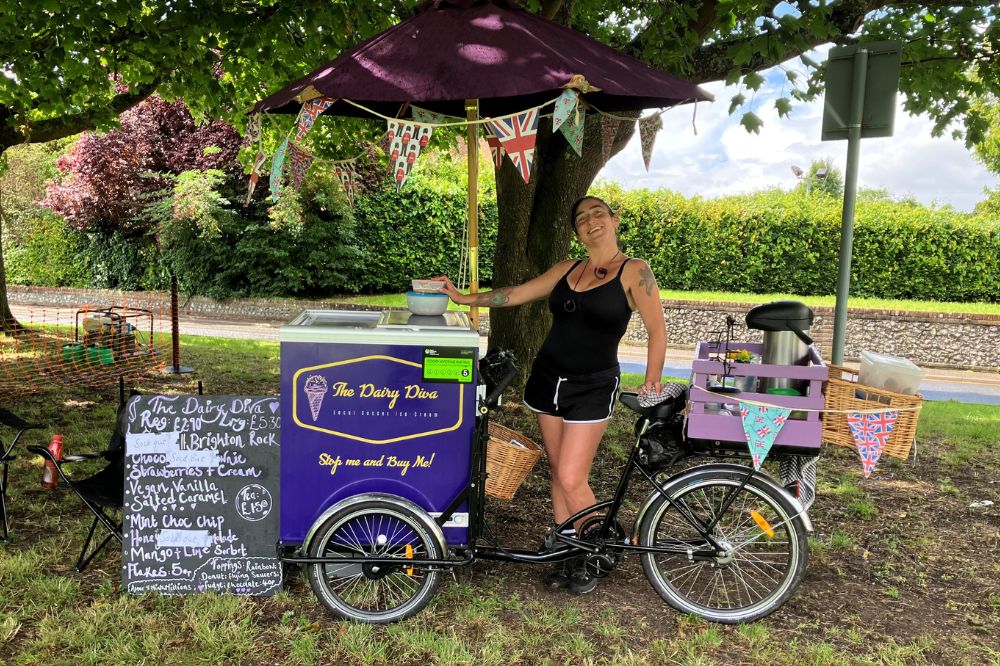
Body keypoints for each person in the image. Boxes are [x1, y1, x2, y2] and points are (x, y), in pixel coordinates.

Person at [434, 195, 666, 595]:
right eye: (581, 219)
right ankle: (567, 548)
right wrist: (464, 299)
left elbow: (657, 330)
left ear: (614, 219)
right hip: (547, 380)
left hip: (592, 386)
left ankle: (597, 548)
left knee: (573, 477)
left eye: (598, 214)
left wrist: (652, 382)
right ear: (577, 232)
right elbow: (516, 294)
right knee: (559, 472)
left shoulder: (635, 272)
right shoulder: (567, 269)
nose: (590, 222)